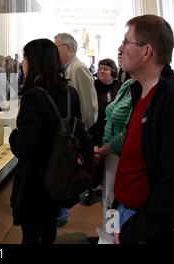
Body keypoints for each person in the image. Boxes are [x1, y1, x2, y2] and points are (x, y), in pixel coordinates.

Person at [113, 14, 174, 244]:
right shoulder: (138, 90)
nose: (120, 48)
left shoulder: (173, 97)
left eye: (126, 41)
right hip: (121, 210)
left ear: (146, 52)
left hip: (143, 224)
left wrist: (133, 232)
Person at [9, 38, 82, 244]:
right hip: (60, 176)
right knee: (49, 227)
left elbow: (24, 149)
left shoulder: (33, 97)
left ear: (35, 61)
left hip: (36, 181)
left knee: (31, 234)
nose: (22, 63)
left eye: (25, 58)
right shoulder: (71, 93)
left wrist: (14, 132)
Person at [54, 32, 98, 226]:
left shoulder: (78, 68)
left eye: (56, 47)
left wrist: (83, 135)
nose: (54, 52)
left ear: (68, 47)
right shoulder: (68, 68)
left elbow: (88, 106)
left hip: (74, 133)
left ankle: (62, 213)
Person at [85, 77, 134, 244]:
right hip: (110, 155)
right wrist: (101, 153)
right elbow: (110, 122)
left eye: (126, 48)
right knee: (108, 201)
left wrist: (103, 150)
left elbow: (129, 132)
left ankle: (112, 237)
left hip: (123, 156)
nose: (121, 49)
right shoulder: (127, 85)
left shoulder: (143, 89)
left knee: (117, 204)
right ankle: (107, 237)